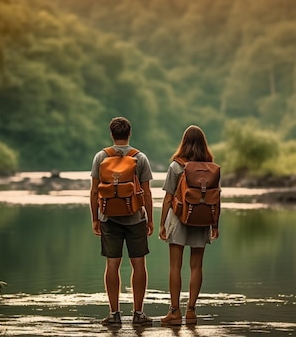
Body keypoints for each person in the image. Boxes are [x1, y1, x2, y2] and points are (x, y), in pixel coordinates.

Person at [90, 117, 154, 326]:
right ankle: (138, 314)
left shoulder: (101, 157)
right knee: (138, 264)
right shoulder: (140, 158)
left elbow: (93, 192)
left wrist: (95, 219)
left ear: (111, 134)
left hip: (108, 217)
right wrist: (150, 220)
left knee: (112, 264)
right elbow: (146, 193)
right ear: (129, 133)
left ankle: (114, 314)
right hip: (136, 218)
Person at [158, 125, 220, 325]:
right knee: (196, 266)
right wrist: (215, 225)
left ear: (183, 142)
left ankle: (174, 312)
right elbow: (216, 199)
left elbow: (168, 198)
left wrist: (161, 224)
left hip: (178, 219)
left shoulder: (176, 166)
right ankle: (191, 311)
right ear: (204, 144)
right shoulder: (211, 168)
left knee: (175, 266)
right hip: (202, 221)